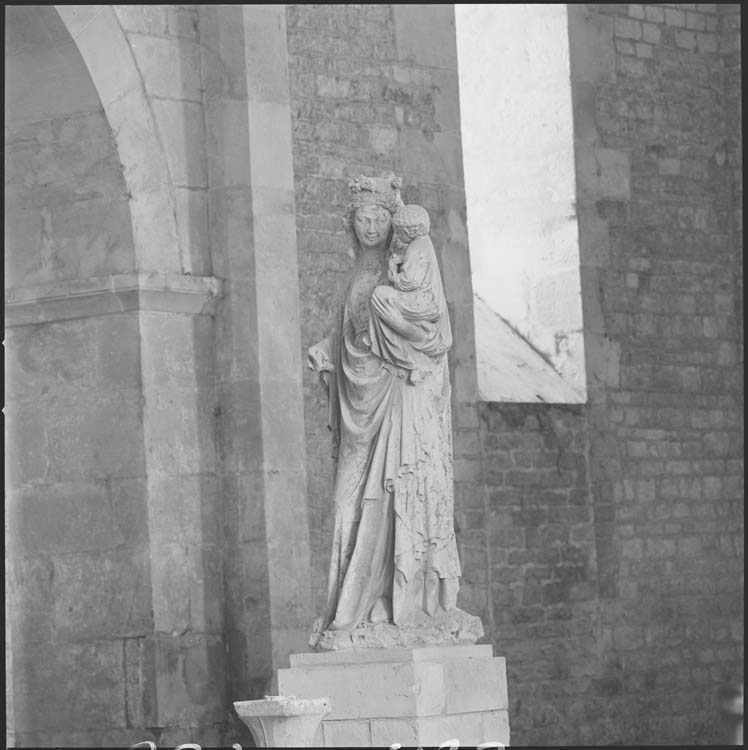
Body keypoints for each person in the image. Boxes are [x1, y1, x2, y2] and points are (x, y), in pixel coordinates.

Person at [307, 174, 481, 650]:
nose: (369, 227)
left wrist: (394, 349)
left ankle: (396, 605)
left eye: (378, 218)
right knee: (347, 500)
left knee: (397, 495)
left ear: (393, 221)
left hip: (400, 406)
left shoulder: (408, 269)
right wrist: (329, 352)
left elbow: (430, 338)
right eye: (361, 218)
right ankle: (347, 610)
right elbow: (349, 332)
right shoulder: (357, 278)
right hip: (359, 408)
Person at [368, 203, 452, 385]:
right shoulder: (423, 243)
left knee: (380, 295)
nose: (398, 235)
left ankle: (404, 354)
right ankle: (391, 344)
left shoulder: (416, 248)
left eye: (400, 232)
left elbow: (408, 282)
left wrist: (392, 270)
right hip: (425, 300)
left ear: (409, 231)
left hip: (421, 302)